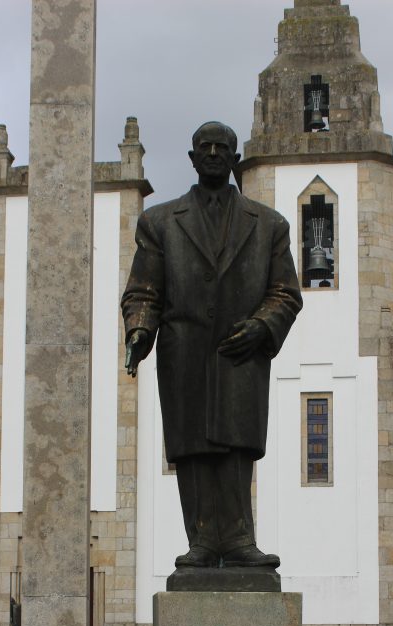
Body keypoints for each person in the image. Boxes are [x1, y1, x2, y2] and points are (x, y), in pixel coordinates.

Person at [121, 121, 302, 570]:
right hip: (185, 354)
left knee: (237, 447)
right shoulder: (159, 221)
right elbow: (144, 290)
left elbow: (286, 292)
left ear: (235, 159)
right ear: (193, 157)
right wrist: (140, 330)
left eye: (224, 147)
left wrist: (264, 326)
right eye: (206, 147)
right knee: (193, 449)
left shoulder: (269, 225)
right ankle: (200, 540)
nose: (215, 153)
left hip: (242, 353)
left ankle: (240, 539)